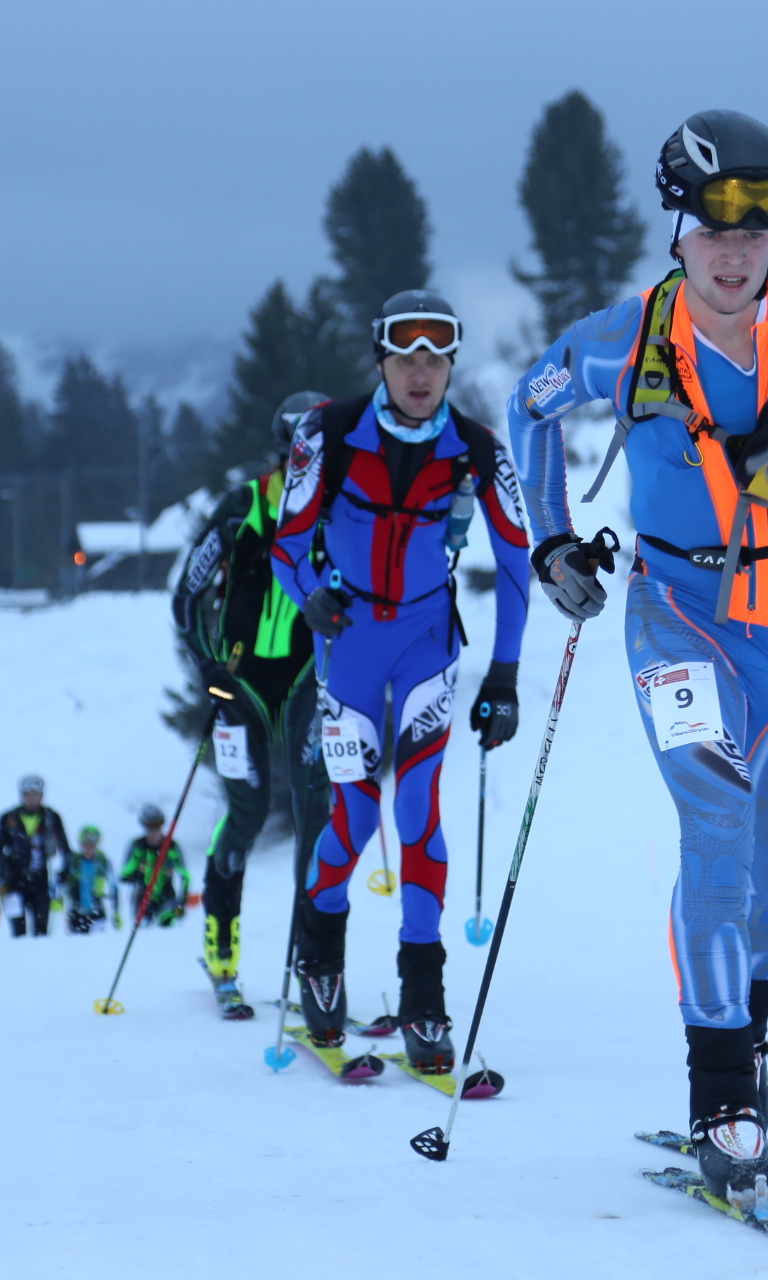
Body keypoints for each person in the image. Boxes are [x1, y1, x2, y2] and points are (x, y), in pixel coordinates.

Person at [505, 110, 768, 1204]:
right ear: (678, 229)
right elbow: (527, 407)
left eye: (758, 227)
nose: (736, 252)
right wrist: (550, 541)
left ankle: (749, 1042)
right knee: (717, 816)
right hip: (674, 609)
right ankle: (722, 1096)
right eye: (714, 227)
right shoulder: (623, 339)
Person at [272, 288, 532, 1062]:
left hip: (425, 641)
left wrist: (505, 674)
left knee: (418, 807)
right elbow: (287, 544)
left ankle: (424, 998)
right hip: (349, 641)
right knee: (355, 815)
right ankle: (320, 962)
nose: (421, 374)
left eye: (436, 359)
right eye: (405, 358)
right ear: (381, 360)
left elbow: (515, 561)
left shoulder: (479, 448)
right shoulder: (326, 433)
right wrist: (308, 597)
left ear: (451, 365)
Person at [173, 391, 329, 1003]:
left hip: (306, 679)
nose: (309, 464)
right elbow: (187, 596)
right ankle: (222, 952)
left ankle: (314, 962)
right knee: (247, 813)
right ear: (283, 451)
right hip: (238, 683)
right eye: (301, 452)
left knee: (316, 814)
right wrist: (206, 665)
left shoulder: (342, 508)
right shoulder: (242, 508)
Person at [0, 775, 70, 938]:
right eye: (27, 794)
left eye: (35, 794)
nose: (31, 798)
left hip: (41, 881)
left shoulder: (51, 817)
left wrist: (63, 875)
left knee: (41, 932)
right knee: (18, 933)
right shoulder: (8, 818)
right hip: (14, 881)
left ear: (42, 795)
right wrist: (2, 873)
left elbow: (65, 850)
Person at [120, 804, 189, 927]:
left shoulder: (172, 847)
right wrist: (138, 869)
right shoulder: (138, 847)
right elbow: (124, 873)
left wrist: (182, 899)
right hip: (142, 897)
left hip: (166, 895)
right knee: (143, 929)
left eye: (157, 826)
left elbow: (185, 875)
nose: (154, 832)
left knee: (167, 927)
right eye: (150, 827)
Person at [62, 826, 120, 934]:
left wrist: (116, 912)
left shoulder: (104, 862)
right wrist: (57, 899)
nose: (88, 848)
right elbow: (61, 880)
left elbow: (114, 886)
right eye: (85, 844)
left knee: (97, 940)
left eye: (92, 845)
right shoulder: (73, 861)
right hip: (76, 913)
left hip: (97, 913)